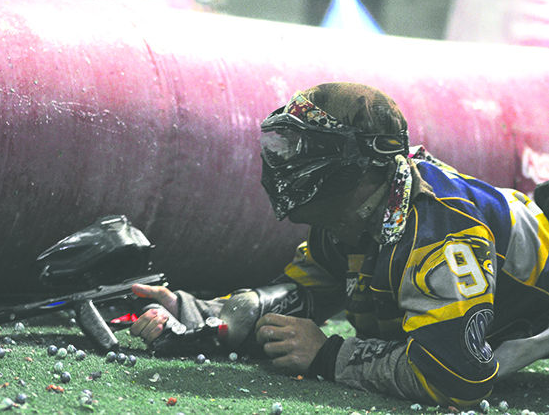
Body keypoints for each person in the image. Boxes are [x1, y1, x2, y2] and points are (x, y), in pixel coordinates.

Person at [129, 82, 549, 408]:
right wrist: (197, 314)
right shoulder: (353, 216)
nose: (281, 162)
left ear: (360, 165)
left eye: (301, 149)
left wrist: (329, 356)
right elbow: (301, 293)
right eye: (279, 144)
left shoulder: (441, 235)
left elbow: (457, 377)